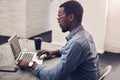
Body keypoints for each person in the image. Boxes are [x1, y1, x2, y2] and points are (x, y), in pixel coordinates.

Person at [17, 0, 100, 80]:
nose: (58, 21)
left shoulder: (76, 43)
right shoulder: (85, 35)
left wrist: (31, 64)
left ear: (71, 17)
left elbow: (53, 77)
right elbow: (68, 49)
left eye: (60, 17)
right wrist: (54, 52)